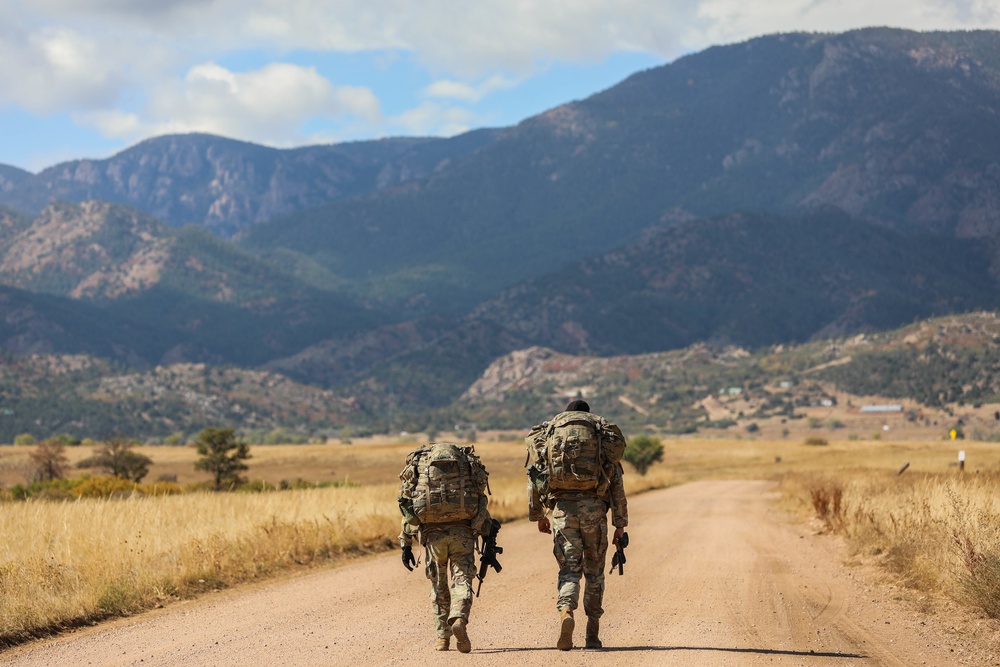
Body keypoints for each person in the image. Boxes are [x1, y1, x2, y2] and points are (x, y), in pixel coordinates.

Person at [526, 399, 629, 650]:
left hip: (562, 511)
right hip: (594, 511)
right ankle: (592, 634)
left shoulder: (552, 438)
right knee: (594, 572)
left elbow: (535, 480)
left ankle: (566, 612)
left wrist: (538, 515)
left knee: (569, 569)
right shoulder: (601, 440)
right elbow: (617, 487)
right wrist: (620, 524)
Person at [398, 442, 494, 653]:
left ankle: (443, 638)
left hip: (433, 536)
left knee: (438, 586)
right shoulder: (467, 462)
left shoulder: (419, 463)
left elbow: (407, 506)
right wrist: (485, 531)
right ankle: (459, 616)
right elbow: (481, 499)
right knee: (462, 579)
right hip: (463, 533)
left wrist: (405, 543)